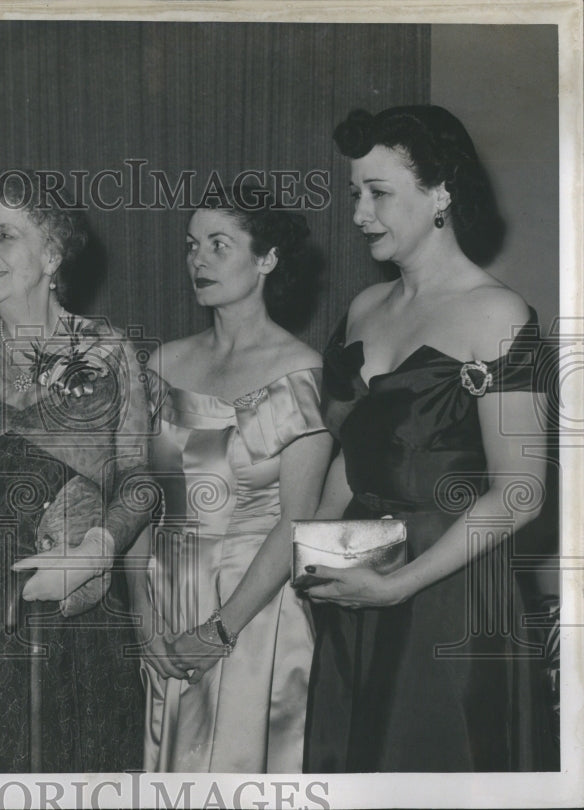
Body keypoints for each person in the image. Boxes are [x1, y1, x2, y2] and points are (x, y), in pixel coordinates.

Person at [300, 105, 551, 772]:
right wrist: (310, 564)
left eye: (379, 193)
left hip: (449, 598)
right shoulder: (363, 309)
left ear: (440, 192)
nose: (359, 213)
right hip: (361, 586)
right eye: (356, 192)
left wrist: (402, 584)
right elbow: (350, 463)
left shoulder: (497, 313)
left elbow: (519, 494)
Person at [0, 172, 152, 772]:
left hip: (78, 613)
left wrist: (97, 552)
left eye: (5, 235)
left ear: (51, 254)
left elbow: (139, 481)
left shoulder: (108, 351)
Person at [130, 196, 332, 772]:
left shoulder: (302, 373)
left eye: (221, 245)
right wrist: (143, 617)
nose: (200, 260)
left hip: (254, 611)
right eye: (193, 246)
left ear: (266, 259)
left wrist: (220, 630)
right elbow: (139, 496)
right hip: (166, 605)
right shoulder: (164, 365)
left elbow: (298, 523)